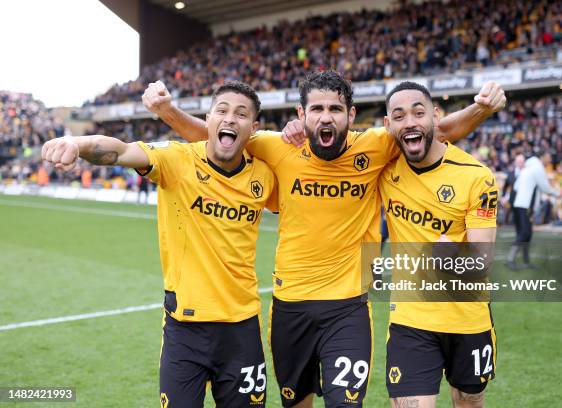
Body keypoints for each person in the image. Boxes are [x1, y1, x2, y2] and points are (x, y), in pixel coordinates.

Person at [142, 72, 506, 407]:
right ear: (302, 114)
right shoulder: (275, 146)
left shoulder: (378, 146)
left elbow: (435, 132)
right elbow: (221, 138)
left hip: (347, 307)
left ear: (351, 115)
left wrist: (481, 108)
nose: (326, 117)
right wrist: (168, 111)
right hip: (290, 308)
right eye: (317, 109)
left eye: (335, 109)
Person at [41, 82, 276, 408]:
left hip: (242, 330)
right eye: (222, 111)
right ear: (207, 120)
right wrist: (76, 143)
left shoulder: (265, 176)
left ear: (254, 128)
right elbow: (120, 151)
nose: (230, 119)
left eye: (241, 114)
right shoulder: (175, 159)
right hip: (185, 330)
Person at [379, 81, 498, 408]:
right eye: (399, 116)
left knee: (469, 401)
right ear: (388, 126)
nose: (410, 122)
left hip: (468, 318)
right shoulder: (383, 168)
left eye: (419, 113)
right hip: (411, 319)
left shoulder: (477, 177)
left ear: (436, 116)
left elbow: (480, 263)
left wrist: (450, 253)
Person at [506, 151, 560, 270]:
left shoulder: (528, 168)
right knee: (525, 233)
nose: (550, 160)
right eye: (549, 156)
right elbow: (545, 187)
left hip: (520, 204)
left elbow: (516, 186)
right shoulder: (537, 168)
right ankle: (510, 259)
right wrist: (558, 193)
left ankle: (526, 261)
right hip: (526, 205)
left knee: (527, 233)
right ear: (543, 157)